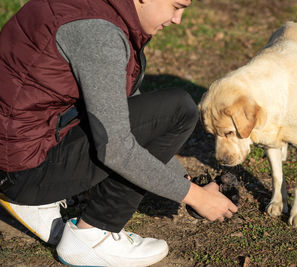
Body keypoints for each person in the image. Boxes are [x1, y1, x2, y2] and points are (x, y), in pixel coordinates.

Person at [0, 0, 238, 266]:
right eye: (176, 6)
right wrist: (196, 197)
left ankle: (36, 194)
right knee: (179, 110)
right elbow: (117, 148)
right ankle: (93, 234)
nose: (177, 20)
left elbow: (126, 113)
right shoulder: (99, 33)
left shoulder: (93, 10)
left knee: (165, 112)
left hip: (20, 151)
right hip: (22, 170)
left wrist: (184, 180)